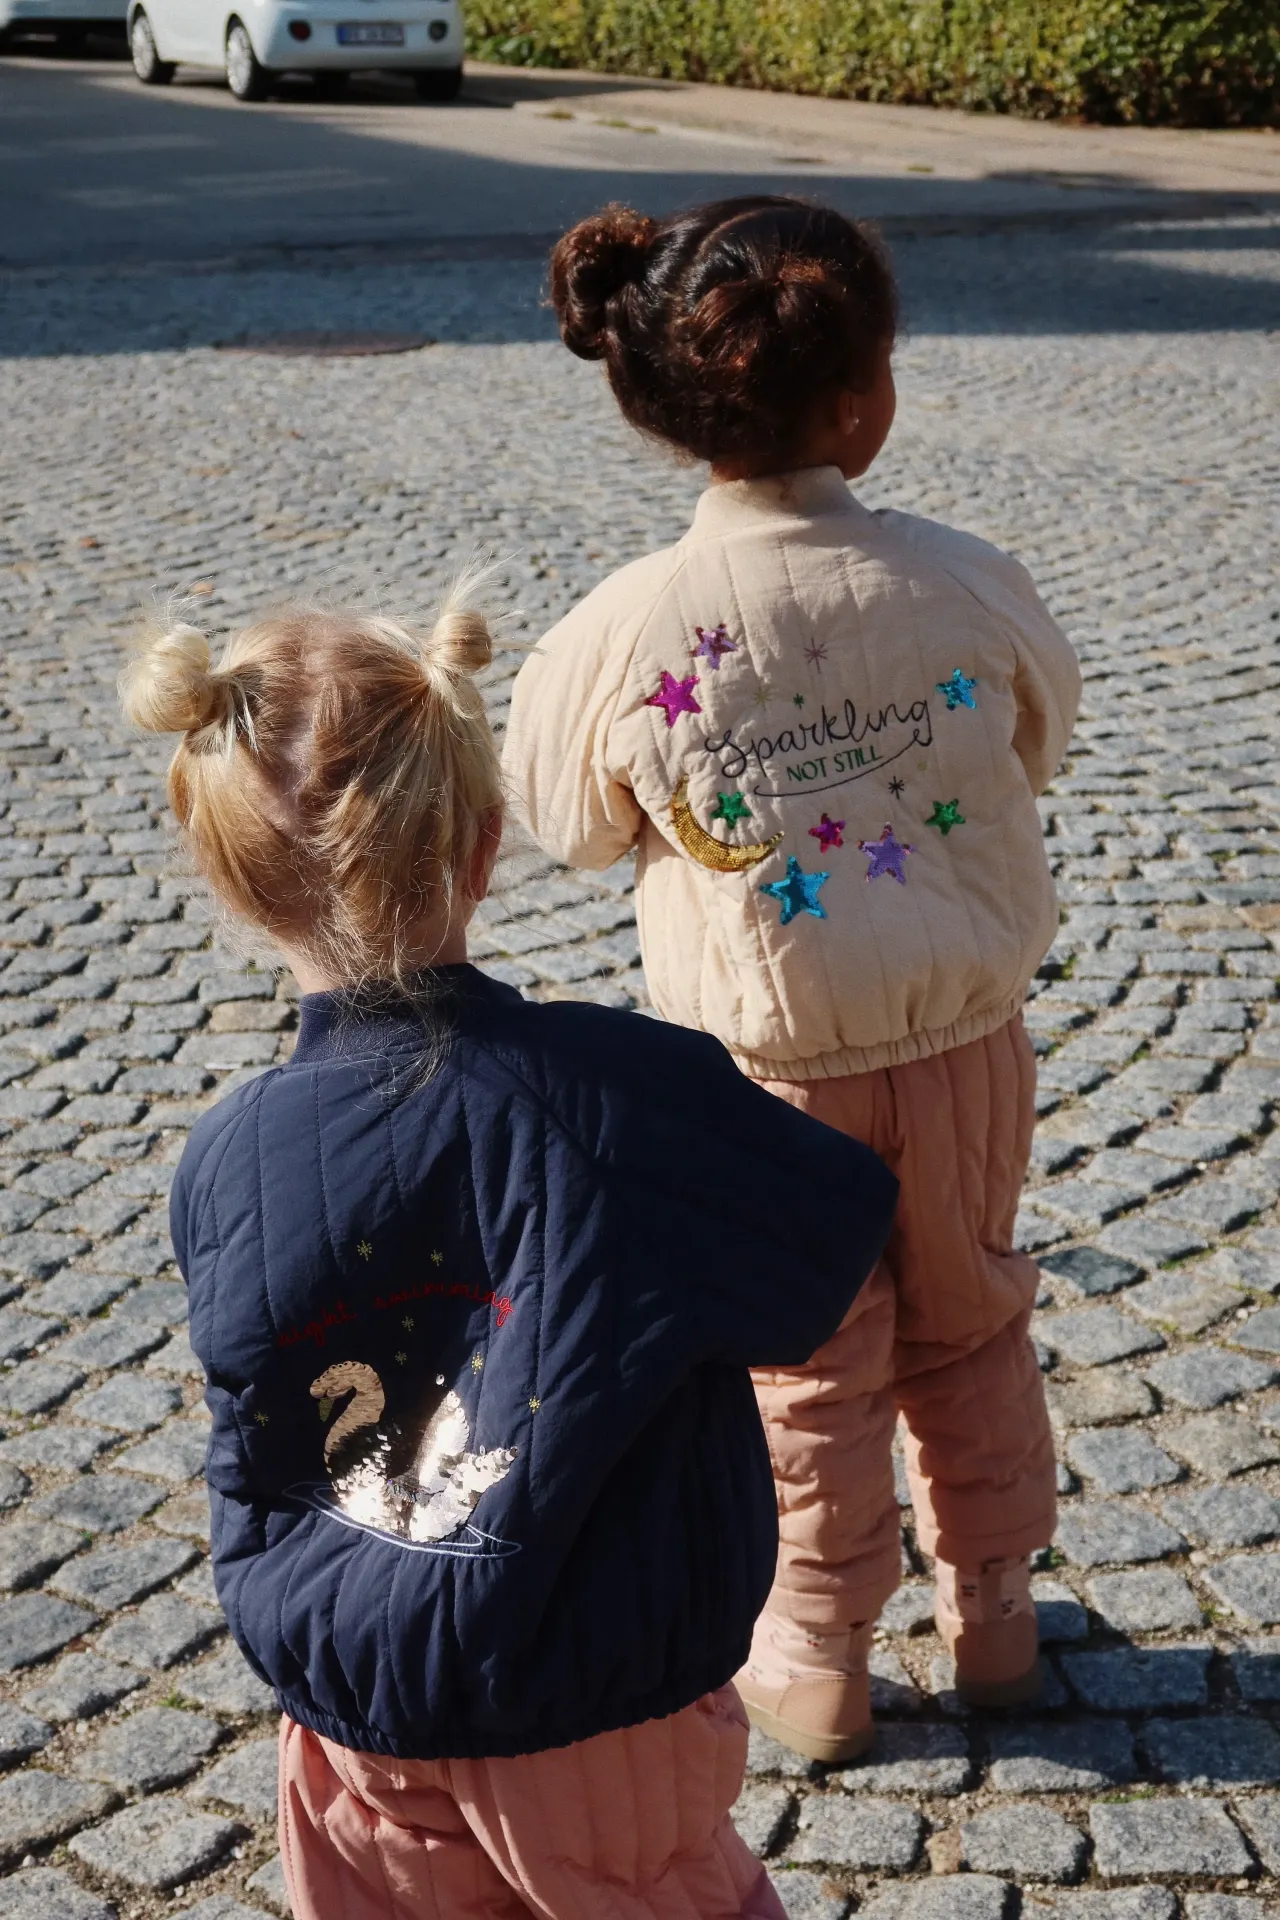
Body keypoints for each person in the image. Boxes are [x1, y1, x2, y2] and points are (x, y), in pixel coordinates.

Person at [122, 595, 897, 1920]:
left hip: (353, 1717)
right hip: (597, 1705)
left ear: (233, 881)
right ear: (485, 846)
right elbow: (826, 1245)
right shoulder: (627, 1097)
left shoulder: (226, 1159)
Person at [502, 195, 1083, 1765]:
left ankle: (820, 1653)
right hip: (964, 1041)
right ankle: (998, 1613)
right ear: (863, 398)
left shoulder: (625, 631)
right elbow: (1040, 736)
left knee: (805, 1360)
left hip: (764, 1079)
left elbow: (563, 819)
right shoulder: (960, 579)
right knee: (972, 1316)